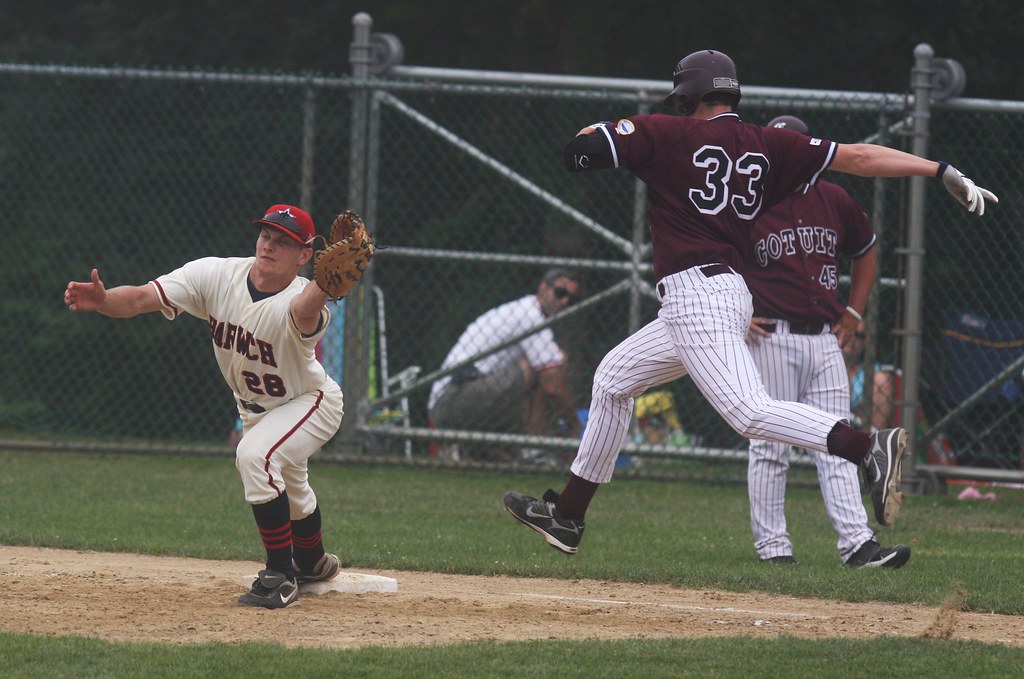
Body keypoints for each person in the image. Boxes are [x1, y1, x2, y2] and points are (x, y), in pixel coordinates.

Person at [502, 49, 997, 556]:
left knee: (747, 412)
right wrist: (938, 170)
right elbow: (862, 158)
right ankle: (568, 515)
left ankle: (867, 447)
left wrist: (601, 129)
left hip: (698, 296)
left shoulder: (665, 132)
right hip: (720, 295)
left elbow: (578, 154)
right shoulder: (770, 143)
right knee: (612, 380)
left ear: (687, 95)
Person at [64, 204, 346, 608]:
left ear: (304, 256)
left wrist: (325, 280)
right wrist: (106, 299)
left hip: (310, 401)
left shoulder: (303, 297)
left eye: (284, 242)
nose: (269, 245)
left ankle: (280, 577)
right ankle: (313, 563)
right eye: (266, 235)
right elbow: (143, 296)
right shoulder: (216, 275)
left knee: (254, 456)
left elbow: (303, 312)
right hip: (258, 409)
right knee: (294, 491)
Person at [743, 115, 909, 569]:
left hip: (825, 339)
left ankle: (858, 545)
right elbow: (714, 258)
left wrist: (855, 311)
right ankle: (773, 549)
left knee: (839, 440)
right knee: (771, 446)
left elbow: (866, 249)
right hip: (770, 337)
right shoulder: (748, 202)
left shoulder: (833, 198)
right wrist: (738, 313)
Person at [428, 268, 583, 462]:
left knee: (547, 364)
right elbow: (552, 385)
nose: (565, 302)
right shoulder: (530, 315)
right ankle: (533, 450)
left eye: (572, 299)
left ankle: (478, 449)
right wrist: (574, 424)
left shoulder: (523, 310)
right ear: (543, 287)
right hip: (451, 399)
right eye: (560, 293)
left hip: (462, 396)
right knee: (547, 367)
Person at [843, 319, 897, 431]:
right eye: (848, 331)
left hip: (860, 426)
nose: (852, 339)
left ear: (865, 342)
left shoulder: (873, 373)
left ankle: (871, 444)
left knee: (882, 380)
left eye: (858, 335)